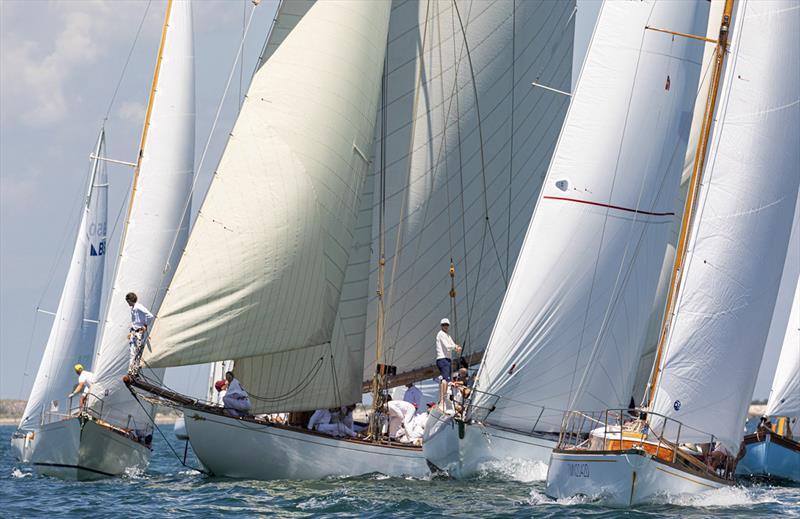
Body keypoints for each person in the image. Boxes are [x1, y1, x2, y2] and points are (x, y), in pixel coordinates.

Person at [436, 318, 461, 408]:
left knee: (446, 380)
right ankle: (442, 401)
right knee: (444, 380)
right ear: (441, 326)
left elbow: (452, 344)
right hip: (442, 359)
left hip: (447, 359)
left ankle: (444, 399)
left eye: (446, 325)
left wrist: (457, 347)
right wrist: (455, 348)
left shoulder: (448, 336)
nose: (445, 326)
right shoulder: (441, 334)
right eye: (443, 325)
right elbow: (447, 346)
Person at [126, 292, 154, 373]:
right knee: (132, 351)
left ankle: (133, 371)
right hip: (134, 332)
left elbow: (150, 315)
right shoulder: (133, 308)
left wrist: (145, 325)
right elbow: (135, 322)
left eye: (128, 301)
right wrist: (131, 333)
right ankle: (132, 370)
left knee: (136, 351)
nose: (128, 303)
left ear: (130, 300)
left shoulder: (138, 307)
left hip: (139, 332)